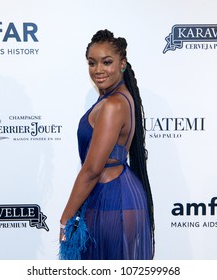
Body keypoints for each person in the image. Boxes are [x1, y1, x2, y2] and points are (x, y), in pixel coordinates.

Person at [60, 29, 154, 260]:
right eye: (92, 63)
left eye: (107, 62)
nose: (98, 70)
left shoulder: (113, 104)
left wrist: (66, 219)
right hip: (115, 195)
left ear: (123, 64)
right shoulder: (116, 98)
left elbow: (92, 170)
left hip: (111, 199)